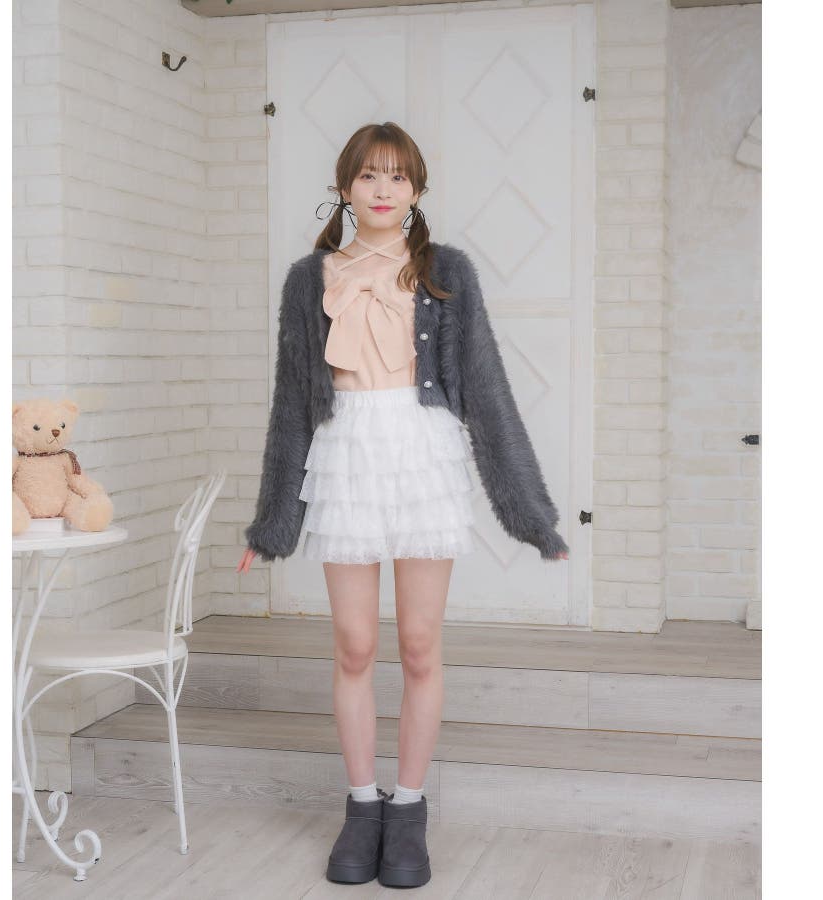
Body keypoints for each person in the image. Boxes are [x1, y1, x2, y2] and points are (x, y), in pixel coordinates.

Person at [236, 122, 568, 889]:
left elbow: (486, 390)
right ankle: (362, 806)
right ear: (345, 187)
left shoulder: (447, 272)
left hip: (423, 456)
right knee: (354, 646)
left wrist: (532, 515)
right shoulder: (309, 279)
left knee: (419, 644)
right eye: (368, 176)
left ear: (416, 189)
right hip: (345, 455)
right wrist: (272, 523)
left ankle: (409, 810)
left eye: (397, 176)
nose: (382, 190)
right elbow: (292, 403)